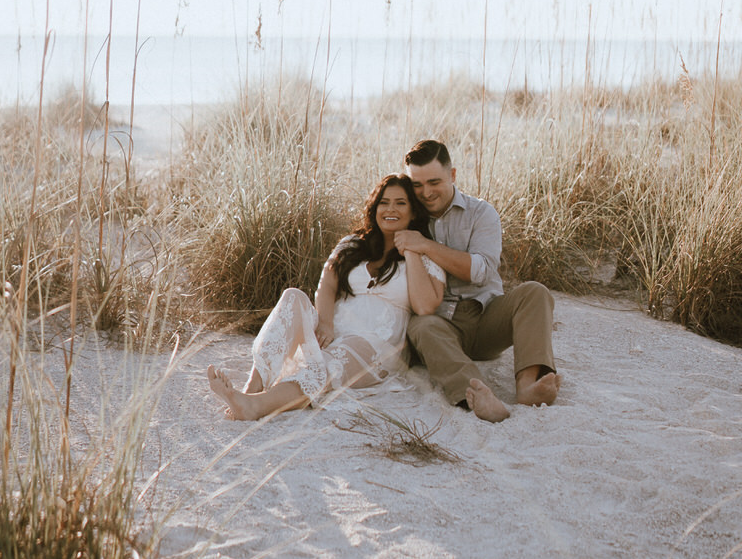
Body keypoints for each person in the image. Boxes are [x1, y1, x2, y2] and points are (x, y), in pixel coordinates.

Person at [207, 175, 445, 421]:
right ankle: (252, 388)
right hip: (332, 330)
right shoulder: (352, 243)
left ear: (414, 211)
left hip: (376, 343)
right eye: (384, 202)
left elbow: (425, 306)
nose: (391, 209)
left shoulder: (425, 256)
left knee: (323, 365)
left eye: (401, 203)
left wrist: (412, 248)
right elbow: (327, 284)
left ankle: (256, 406)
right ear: (375, 208)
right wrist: (326, 323)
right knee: (293, 297)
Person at [394, 138, 560, 422]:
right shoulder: (406, 214)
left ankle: (527, 386)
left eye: (434, 182)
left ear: (453, 175)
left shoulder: (482, 213)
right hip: (439, 325)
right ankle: (478, 395)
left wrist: (425, 245)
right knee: (422, 325)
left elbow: (480, 270)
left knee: (535, 292)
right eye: (417, 185)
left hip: (486, 318)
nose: (425, 193)